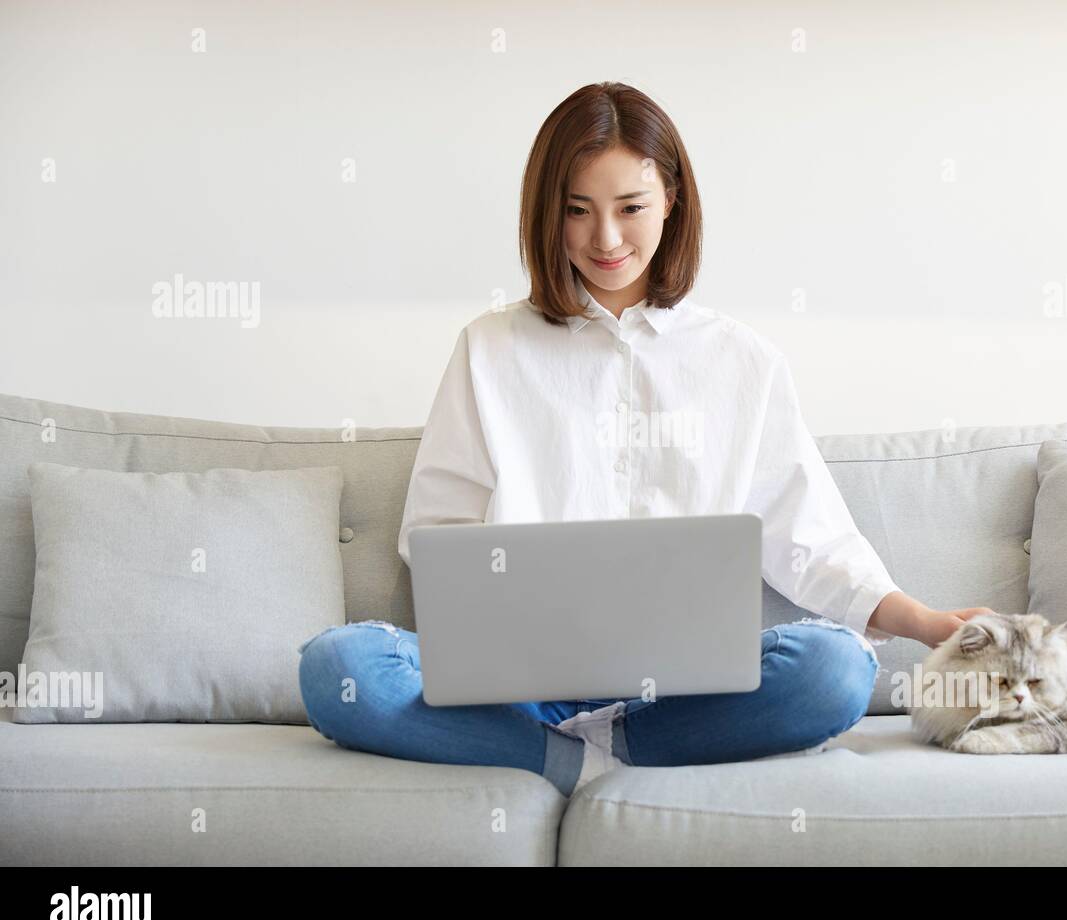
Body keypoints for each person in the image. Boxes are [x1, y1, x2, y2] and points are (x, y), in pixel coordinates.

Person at [299, 81, 993, 797]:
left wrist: (922, 620)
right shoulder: (489, 349)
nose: (605, 239)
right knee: (337, 669)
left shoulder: (742, 361)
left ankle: (589, 752)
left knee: (837, 672)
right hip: (519, 693)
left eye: (630, 208)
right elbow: (434, 536)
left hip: (683, 698)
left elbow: (808, 539)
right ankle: (569, 755)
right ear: (547, 214)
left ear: (672, 202)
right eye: (577, 211)